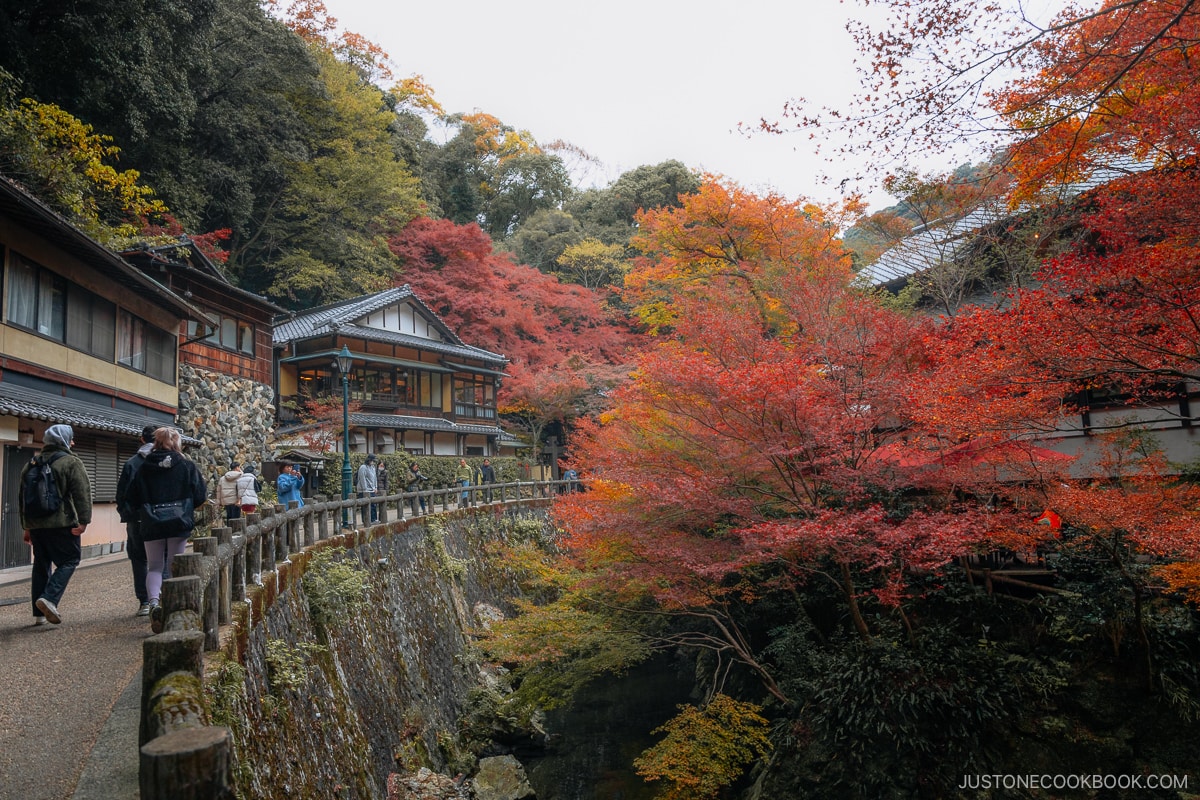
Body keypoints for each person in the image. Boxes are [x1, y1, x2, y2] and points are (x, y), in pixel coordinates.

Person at [123, 427, 206, 628]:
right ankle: (171, 606)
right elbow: (200, 494)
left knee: (154, 566)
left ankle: (152, 603)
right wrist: (185, 507)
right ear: (177, 443)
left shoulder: (143, 467)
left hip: (151, 522)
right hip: (179, 521)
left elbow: (131, 497)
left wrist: (145, 509)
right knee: (173, 565)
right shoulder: (186, 465)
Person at [19, 424, 92, 626]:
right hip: (62, 523)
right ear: (64, 440)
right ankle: (49, 599)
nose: (73, 442)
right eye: (71, 438)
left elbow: (22, 498)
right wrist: (84, 521)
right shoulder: (71, 462)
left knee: (41, 565)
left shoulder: (31, 464)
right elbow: (82, 494)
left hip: (36, 525)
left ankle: (38, 614)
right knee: (70, 560)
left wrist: (26, 526)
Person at [115, 424, 157, 617]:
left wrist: (127, 512)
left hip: (137, 518)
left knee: (139, 559)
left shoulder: (132, 463)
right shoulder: (168, 461)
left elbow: (121, 493)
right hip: (162, 518)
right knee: (161, 558)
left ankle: (145, 601)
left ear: (141, 440)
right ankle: (160, 597)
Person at [355, 454, 379, 524]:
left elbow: (375, 478)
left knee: (373, 505)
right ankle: (366, 520)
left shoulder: (373, 467)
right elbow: (362, 479)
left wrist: (375, 487)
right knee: (366, 506)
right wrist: (365, 489)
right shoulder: (363, 467)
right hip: (364, 490)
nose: (373, 462)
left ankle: (374, 519)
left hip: (372, 489)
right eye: (372, 461)